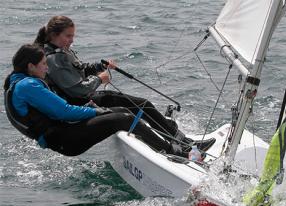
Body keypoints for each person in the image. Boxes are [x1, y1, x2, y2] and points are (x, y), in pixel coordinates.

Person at [33, 15, 215, 152]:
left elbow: (79, 69)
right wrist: (100, 79)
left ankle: (181, 141)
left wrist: (99, 66)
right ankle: (176, 147)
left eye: (73, 36)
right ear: (54, 35)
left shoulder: (62, 50)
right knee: (138, 107)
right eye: (68, 36)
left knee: (141, 104)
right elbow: (77, 90)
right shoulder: (54, 58)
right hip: (82, 103)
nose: (72, 40)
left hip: (86, 98)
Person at [3, 44, 190, 157]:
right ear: (30, 66)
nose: (47, 68)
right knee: (123, 118)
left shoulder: (19, 82)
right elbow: (64, 111)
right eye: (43, 64)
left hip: (63, 134)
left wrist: (88, 108)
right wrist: (95, 111)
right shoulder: (27, 86)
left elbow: (58, 111)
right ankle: (173, 152)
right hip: (64, 140)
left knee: (122, 112)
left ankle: (165, 146)